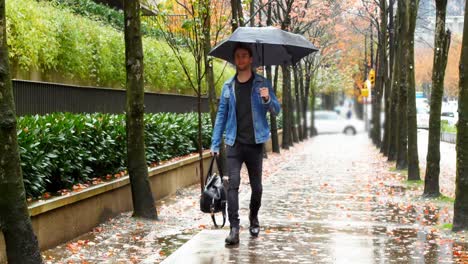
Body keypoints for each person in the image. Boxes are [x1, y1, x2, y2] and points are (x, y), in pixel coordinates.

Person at [210, 43, 281, 245]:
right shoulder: (228, 86)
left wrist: (267, 99)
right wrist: (215, 143)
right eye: (237, 56)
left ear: (251, 59)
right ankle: (234, 228)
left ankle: (254, 217)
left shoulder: (262, 83)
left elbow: (276, 110)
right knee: (232, 186)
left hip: (255, 144)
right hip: (234, 143)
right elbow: (221, 116)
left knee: (257, 188)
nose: (240, 59)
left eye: (244, 56)